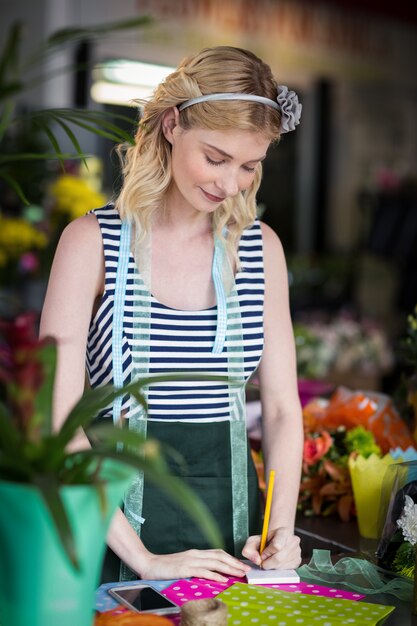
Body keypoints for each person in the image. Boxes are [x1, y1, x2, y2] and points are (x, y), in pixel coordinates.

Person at [39, 45, 304, 583]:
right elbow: (54, 418)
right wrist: (144, 560)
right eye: (215, 157)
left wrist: (279, 534)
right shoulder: (92, 244)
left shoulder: (260, 249)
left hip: (230, 537)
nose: (230, 184)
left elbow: (279, 409)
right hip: (104, 535)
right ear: (171, 125)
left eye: (249, 166)